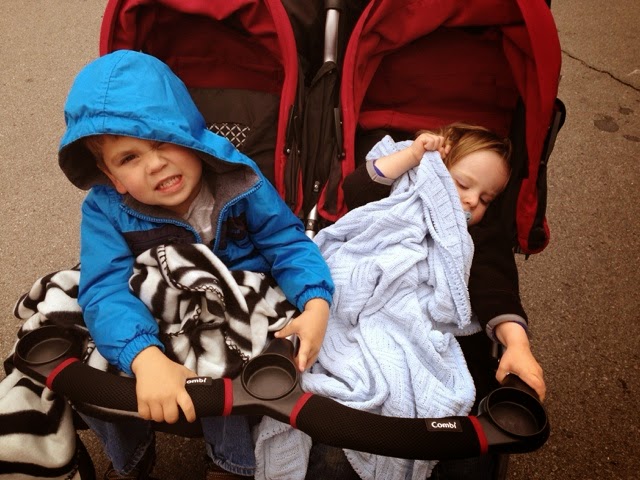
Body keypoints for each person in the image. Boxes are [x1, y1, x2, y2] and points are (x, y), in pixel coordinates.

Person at [57, 50, 334, 480]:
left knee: (222, 366)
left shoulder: (239, 180)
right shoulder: (105, 210)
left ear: (188, 134)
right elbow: (105, 287)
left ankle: (229, 463)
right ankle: (131, 456)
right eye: (129, 159)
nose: (155, 164)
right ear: (112, 177)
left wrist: (316, 302)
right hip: (152, 315)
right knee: (85, 368)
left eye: (162, 140)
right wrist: (144, 357)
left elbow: (286, 242)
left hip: (234, 305)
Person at [305, 123, 544, 480]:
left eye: (486, 199)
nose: (472, 201)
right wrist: (414, 155)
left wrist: (517, 344)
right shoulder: (399, 193)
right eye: (463, 184)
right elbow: (356, 191)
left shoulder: (475, 238)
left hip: (429, 330)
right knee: (334, 451)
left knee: (463, 444)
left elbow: (495, 287)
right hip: (364, 312)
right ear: (436, 169)